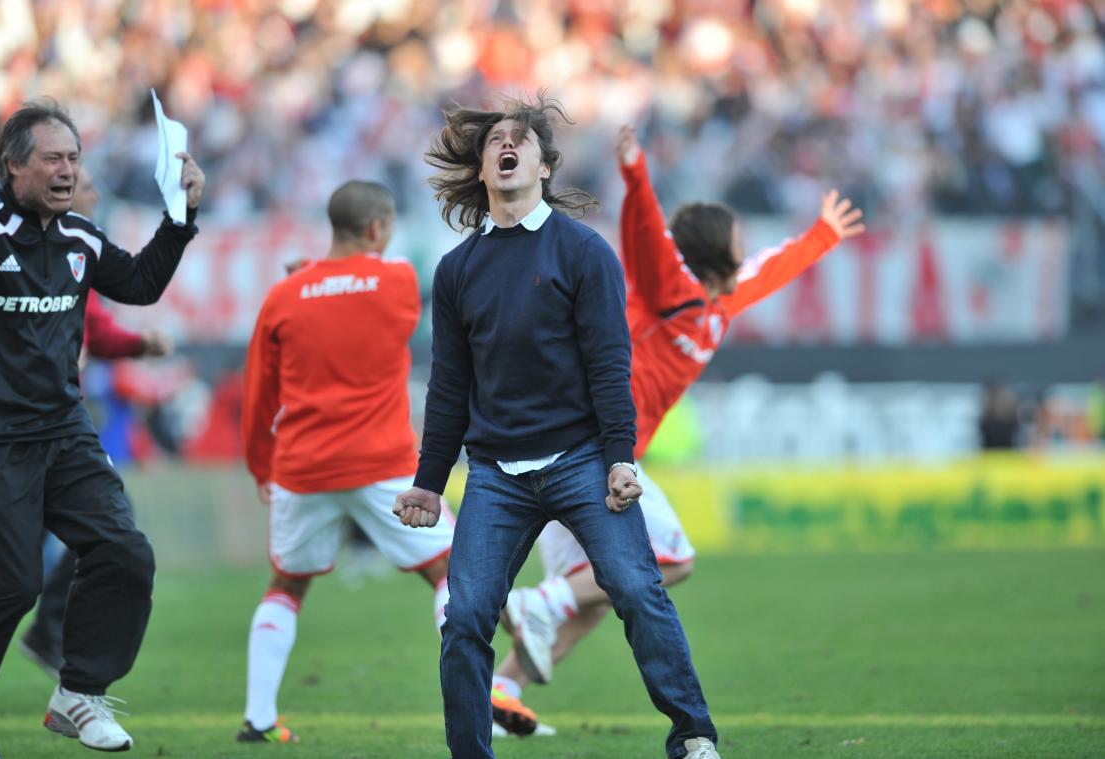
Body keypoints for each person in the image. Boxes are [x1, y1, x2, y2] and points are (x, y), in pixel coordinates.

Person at [490, 124, 866, 732]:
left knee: (599, 590)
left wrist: (823, 235)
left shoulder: (720, 303)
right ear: (717, 247)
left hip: (589, 446)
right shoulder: (673, 289)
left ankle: (502, 688)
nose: (746, 244)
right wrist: (637, 173)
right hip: (589, 444)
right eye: (737, 236)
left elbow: (772, 270)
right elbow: (645, 238)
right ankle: (537, 603)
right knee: (673, 560)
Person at [393, 94, 721, 759]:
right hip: (495, 476)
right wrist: (429, 482)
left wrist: (620, 457)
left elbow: (610, 363)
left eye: (521, 140)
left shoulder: (584, 252)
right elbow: (450, 386)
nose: (506, 147)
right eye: (494, 142)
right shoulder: (456, 271)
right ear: (484, 168)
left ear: (544, 165)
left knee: (636, 586)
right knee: (464, 620)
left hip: (580, 460)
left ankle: (692, 735)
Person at [0, 99, 205, 758]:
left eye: (74, 157)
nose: (68, 170)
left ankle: (80, 692)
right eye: (53, 158)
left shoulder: (79, 237)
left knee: (125, 552)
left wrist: (180, 216)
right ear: (13, 167)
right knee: (9, 587)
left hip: (64, 432)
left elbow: (140, 283)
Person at [239, 180, 454, 744]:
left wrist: (261, 466)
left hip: (302, 467)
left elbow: (259, 393)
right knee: (451, 573)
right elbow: (367, 301)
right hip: (382, 463)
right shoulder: (398, 281)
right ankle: (476, 701)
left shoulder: (284, 295)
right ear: (378, 228)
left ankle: (258, 717)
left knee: (286, 584)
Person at [18, 166, 174, 681]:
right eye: (89, 184)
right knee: (6, 572)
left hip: (56, 429)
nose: (95, 192)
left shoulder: (77, 250)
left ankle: (51, 636)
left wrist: (139, 345)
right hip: (5, 432)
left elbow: (94, 329)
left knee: (113, 530)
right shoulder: (21, 250)